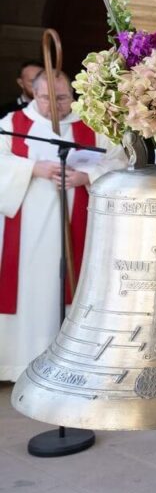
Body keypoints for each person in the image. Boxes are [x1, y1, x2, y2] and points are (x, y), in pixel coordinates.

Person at [0, 72, 123, 381]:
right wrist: (32, 168)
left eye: (62, 98)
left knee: (78, 284)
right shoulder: (12, 125)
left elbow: (121, 161)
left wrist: (87, 177)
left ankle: (76, 362)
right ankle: (23, 363)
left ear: (72, 94)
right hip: (27, 230)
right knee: (33, 288)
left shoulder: (94, 124)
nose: (54, 105)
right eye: (46, 99)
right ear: (32, 94)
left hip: (81, 223)